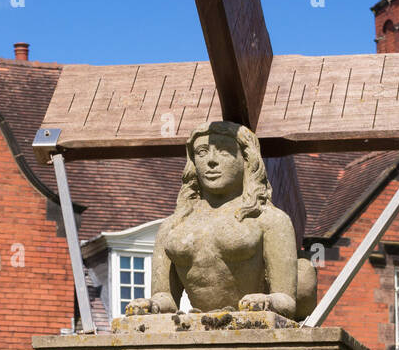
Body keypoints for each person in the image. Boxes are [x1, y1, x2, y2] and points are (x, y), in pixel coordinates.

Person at [126, 121, 317, 320]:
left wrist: (269, 301)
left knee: (304, 272)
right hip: (200, 321)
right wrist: (153, 304)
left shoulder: (270, 219)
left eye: (224, 151)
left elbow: (285, 298)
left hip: (256, 318)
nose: (211, 161)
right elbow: (165, 297)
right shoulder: (172, 226)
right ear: (192, 162)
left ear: (246, 159)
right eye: (202, 152)